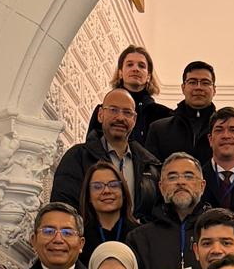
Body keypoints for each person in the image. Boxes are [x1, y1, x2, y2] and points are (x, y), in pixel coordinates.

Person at [52, 88, 160, 221]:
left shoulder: (150, 167)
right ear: (100, 115)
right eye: (113, 110)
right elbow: (64, 207)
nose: (120, 118)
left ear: (134, 119)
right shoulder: (78, 157)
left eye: (127, 112)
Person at [129, 152, 206, 269]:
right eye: (172, 177)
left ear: (202, 185)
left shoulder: (217, 232)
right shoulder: (139, 238)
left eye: (188, 176)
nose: (180, 182)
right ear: (161, 186)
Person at [85, 45, 172, 146]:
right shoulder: (104, 111)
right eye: (130, 64)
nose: (135, 69)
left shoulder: (163, 115)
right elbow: (91, 147)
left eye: (141, 66)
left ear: (148, 76)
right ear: (120, 73)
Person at [146, 61, 217, 164]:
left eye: (205, 83)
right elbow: (152, 170)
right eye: (192, 82)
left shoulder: (225, 131)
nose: (198, 87)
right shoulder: (159, 129)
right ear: (183, 88)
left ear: (214, 90)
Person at [77, 158, 142, 251]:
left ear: (123, 192)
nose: (106, 191)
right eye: (97, 187)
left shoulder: (141, 235)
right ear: (88, 196)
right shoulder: (78, 237)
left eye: (114, 185)